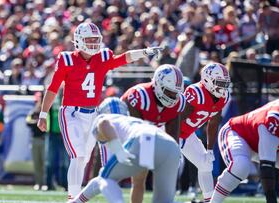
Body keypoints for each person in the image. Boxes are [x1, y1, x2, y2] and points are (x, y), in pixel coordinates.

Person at [37, 21, 162, 200]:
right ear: (79, 40)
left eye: (96, 39)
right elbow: (53, 87)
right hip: (71, 112)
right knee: (77, 155)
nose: (93, 43)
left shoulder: (101, 57)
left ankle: (76, 196)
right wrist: (43, 114)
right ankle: (73, 197)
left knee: (85, 158)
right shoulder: (67, 59)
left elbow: (122, 58)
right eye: (89, 39)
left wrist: (144, 52)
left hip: (93, 113)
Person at [70, 97, 181, 203]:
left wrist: (117, 149)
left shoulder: (105, 119)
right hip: (169, 144)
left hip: (143, 138)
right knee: (163, 201)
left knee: (104, 177)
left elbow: (104, 123)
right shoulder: (133, 122)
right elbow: (138, 184)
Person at [120, 64, 185, 203]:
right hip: (125, 131)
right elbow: (135, 132)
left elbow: (173, 133)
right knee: (138, 176)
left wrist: (172, 154)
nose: (173, 96)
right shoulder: (139, 96)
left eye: (176, 92)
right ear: (157, 84)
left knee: (165, 175)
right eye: (169, 92)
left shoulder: (178, 103)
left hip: (151, 131)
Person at [179, 62, 231, 202]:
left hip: (187, 135)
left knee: (206, 164)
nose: (223, 87)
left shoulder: (222, 97)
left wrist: (209, 149)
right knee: (169, 166)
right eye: (219, 82)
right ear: (207, 80)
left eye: (225, 83)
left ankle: (209, 200)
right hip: (172, 133)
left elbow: (213, 123)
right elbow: (177, 118)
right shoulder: (196, 92)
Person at [211, 100, 278, 203]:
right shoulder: (274, 119)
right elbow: (267, 167)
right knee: (241, 167)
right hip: (237, 132)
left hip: (262, 141)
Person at [46, 89, 69, 191]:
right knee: (50, 160)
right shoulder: (53, 100)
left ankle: (65, 184)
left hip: (65, 134)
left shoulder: (69, 99)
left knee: (65, 162)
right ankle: (48, 184)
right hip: (53, 134)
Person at [26, 92, 46, 191]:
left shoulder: (48, 110)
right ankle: (38, 183)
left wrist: (37, 121)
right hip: (35, 139)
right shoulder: (34, 111)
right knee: (37, 163)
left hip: (45, 139)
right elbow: (28, 122)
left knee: (45, 163)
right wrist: (38, 121)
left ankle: (46, 183)